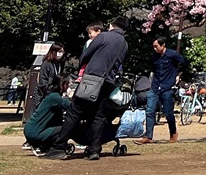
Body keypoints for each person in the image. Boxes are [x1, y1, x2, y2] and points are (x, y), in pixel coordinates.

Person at [42, 17, 129, 161]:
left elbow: (86, 54)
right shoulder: (124, 44)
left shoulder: (103, 37)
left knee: (74, 112)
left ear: (111, 25)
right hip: (108, 82)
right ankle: (94, 149)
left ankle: (58, 147)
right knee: (98, 115)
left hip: (91, 79)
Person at [137, 36, 187, 144]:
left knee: (168, 113)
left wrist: (178, 75)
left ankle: (173, 133)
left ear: (163, 45)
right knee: (149, 111)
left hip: (167, 87)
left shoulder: (172, 54)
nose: (154, 49)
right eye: (153, 47)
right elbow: (153, 69)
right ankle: (148, 136)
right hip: (155, 87)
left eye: (156, 46)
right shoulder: (154, 57)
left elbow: (185, 63)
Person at [24, 79, 70, 152]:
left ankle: (46, 145)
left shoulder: (51, 96)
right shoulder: (54, 97)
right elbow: (70, 106)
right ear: (62, 85)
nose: (68, 86)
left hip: (30, 130)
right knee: (68, 127)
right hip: (35, 132)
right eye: (67, 84)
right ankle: (57, 148)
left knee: (59, 126)